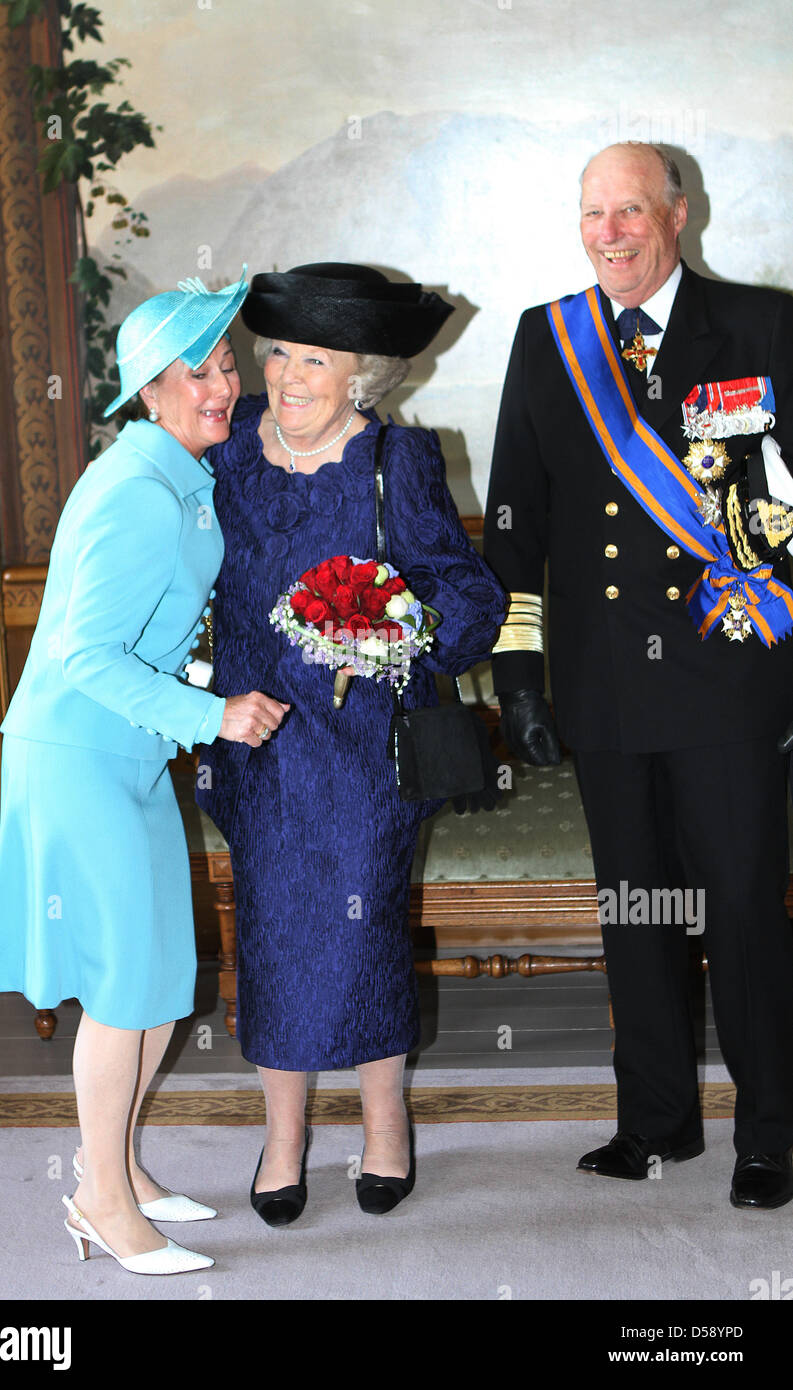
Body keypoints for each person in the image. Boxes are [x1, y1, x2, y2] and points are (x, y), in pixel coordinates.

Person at [0, 273, 289, 1273]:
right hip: (79, 758)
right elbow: (82, 656)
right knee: (122, 987)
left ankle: (122, 1166)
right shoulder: (138, 494)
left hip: (126, 755)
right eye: (196, 371)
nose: (221, 383)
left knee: (154, 977)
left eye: (225, 361)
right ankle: (100, 1198)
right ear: (148, 389)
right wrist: (213, 715)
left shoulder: (177, 475)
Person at [484, 141, 793, 1209]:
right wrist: (517, 674)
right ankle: (656, 1121)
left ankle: (770, 1135)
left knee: (746, 912)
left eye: (628, 212)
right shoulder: (548, 339)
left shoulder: (762, 327)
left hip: (730, 682)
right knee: (640, 910)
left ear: (678, 214)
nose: (608, 233)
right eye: (592, 214)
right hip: (607, 686)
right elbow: (516, 520)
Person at [195, 263, 508, 1222]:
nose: (287, 374)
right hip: (258, 739)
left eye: (314, 359)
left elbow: (468, 595)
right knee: (276, 936)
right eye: (278, 350)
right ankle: (282, 1138)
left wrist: (395, 623)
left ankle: (383, 1126)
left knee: (364, 931)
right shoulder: (222, 454)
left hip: (364, 744)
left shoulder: (394, 462)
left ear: (361, 374)